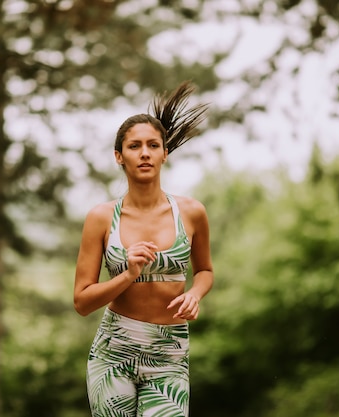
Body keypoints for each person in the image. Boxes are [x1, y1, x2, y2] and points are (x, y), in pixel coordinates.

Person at [73, 81, 214, 417]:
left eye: (153, 145)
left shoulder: (192, 212)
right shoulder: (101, 218)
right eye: (135, 146)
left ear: (165, 153)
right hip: (115, 351)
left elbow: (205, 271)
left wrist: (195, 295)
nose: (145, 153)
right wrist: (128, 275)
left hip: (170, 351)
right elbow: (81, 302)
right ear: (119, 157)